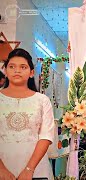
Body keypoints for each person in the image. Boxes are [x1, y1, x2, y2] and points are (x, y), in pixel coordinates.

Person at [0, 48, 54, 180]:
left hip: (36, 169)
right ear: (5, 71)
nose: (17, 70)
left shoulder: (42, 100)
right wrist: (1, 169)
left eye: (23, 67)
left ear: (31, 73)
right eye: (12, 67)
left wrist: (29, 169)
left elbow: (46, 136)